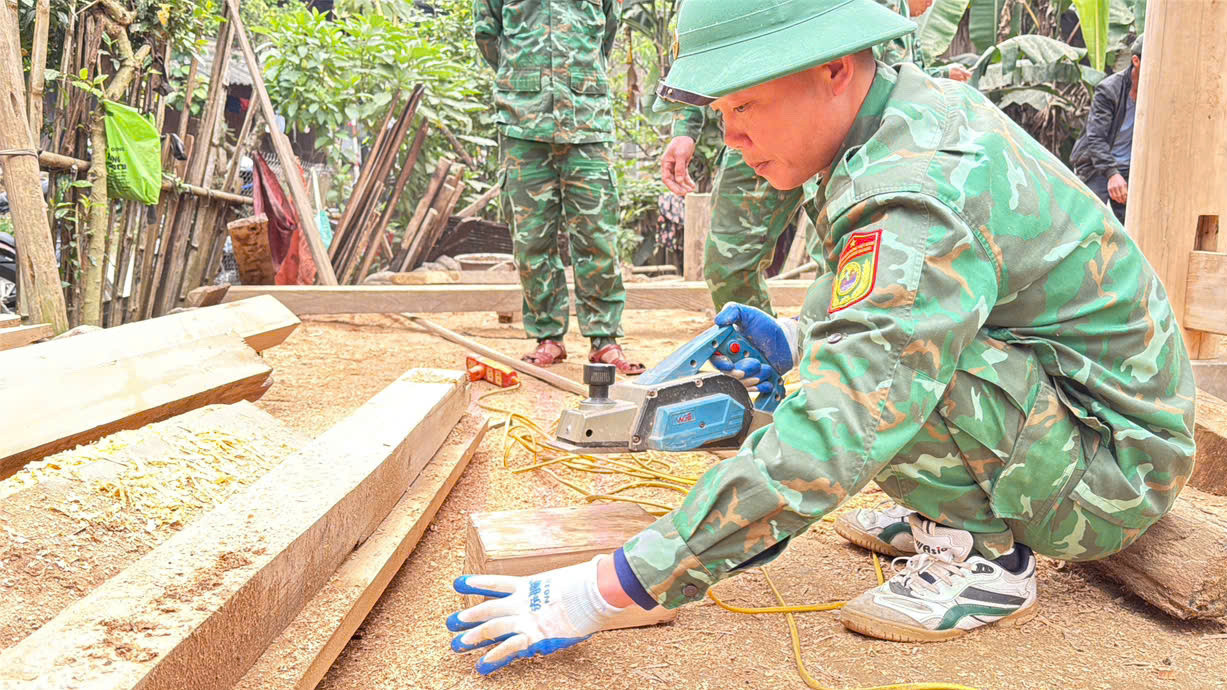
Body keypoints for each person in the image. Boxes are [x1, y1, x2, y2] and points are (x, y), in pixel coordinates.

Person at [448, 0, 1194, 675]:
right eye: (719, 109)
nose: (730, 134)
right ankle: (954, 504)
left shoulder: (915, 189)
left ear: (835, 69)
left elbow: (850, 410)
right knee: (865, 354)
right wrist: (802, 336)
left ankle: (987, 563)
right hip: (1076, 411)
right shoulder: (899, 117)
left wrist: (617, 584)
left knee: (875, 382)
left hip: (1111, 471)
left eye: (745, 103)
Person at [659, 0, 972, 317]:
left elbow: (880, 73)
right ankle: (755, 352)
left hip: (849, 150)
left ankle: (830, 340)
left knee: (847, 262)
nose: (932, 5)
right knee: (728, 260)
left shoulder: (898, 20)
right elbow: (720, 50)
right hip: (772, 130)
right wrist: (686, 129)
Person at [474, 0, 644, 374]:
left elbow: (607, 32)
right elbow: (487, 34)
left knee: (598, 236)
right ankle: (547, 336)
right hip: (523, 123)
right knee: (531, 239)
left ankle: (604, 339)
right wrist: (525, 78)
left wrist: (573, 79)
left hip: (587, 122)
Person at [1071, 35, 1143, 224]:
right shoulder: (1110, 90)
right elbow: (1096, 138)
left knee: (1133, 227)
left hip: (1132, 169)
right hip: (1098, 167)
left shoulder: (1157, 91)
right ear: (1135, 61)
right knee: (1084, 223)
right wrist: (1112, 173)